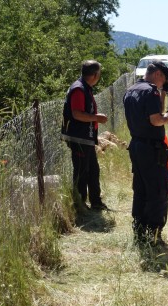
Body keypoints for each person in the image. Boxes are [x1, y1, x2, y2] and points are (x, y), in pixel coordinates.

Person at [123, 61, 168, 249]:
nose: (163, 85)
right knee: (157, 190)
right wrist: (167, 119)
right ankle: (154, 234)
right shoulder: (151, 91)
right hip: (151, 148)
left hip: (136, 145)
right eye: (164, 81)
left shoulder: (131, 90)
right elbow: (155, 120)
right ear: (158, 75)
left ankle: (139, 231)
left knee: (140, 189)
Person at [61, 60, 109, 211]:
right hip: (79, 137)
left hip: (86, 137)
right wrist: (97, 117)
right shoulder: (79, 89)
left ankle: (95, 201)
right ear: (95, 75)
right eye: (99, 74)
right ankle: (80, 204)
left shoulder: (85, 87)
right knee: (82, 172)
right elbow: (77, 114)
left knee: (93, 170)